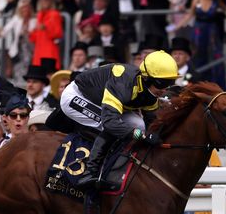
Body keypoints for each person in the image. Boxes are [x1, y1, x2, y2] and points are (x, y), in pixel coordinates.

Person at [63, 50, 180, 189]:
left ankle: (118, 167)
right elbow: (110, 123)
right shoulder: (124, 84)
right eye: (162, 83)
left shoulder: (149, 91)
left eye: (170, 83)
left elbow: (151, 121)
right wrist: (141, 136)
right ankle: (90, 172)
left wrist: (155, 135)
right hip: (76, 97)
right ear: (147, 78)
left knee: (139, 124)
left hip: (101, 101)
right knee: (111, 126)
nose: (164, 89)